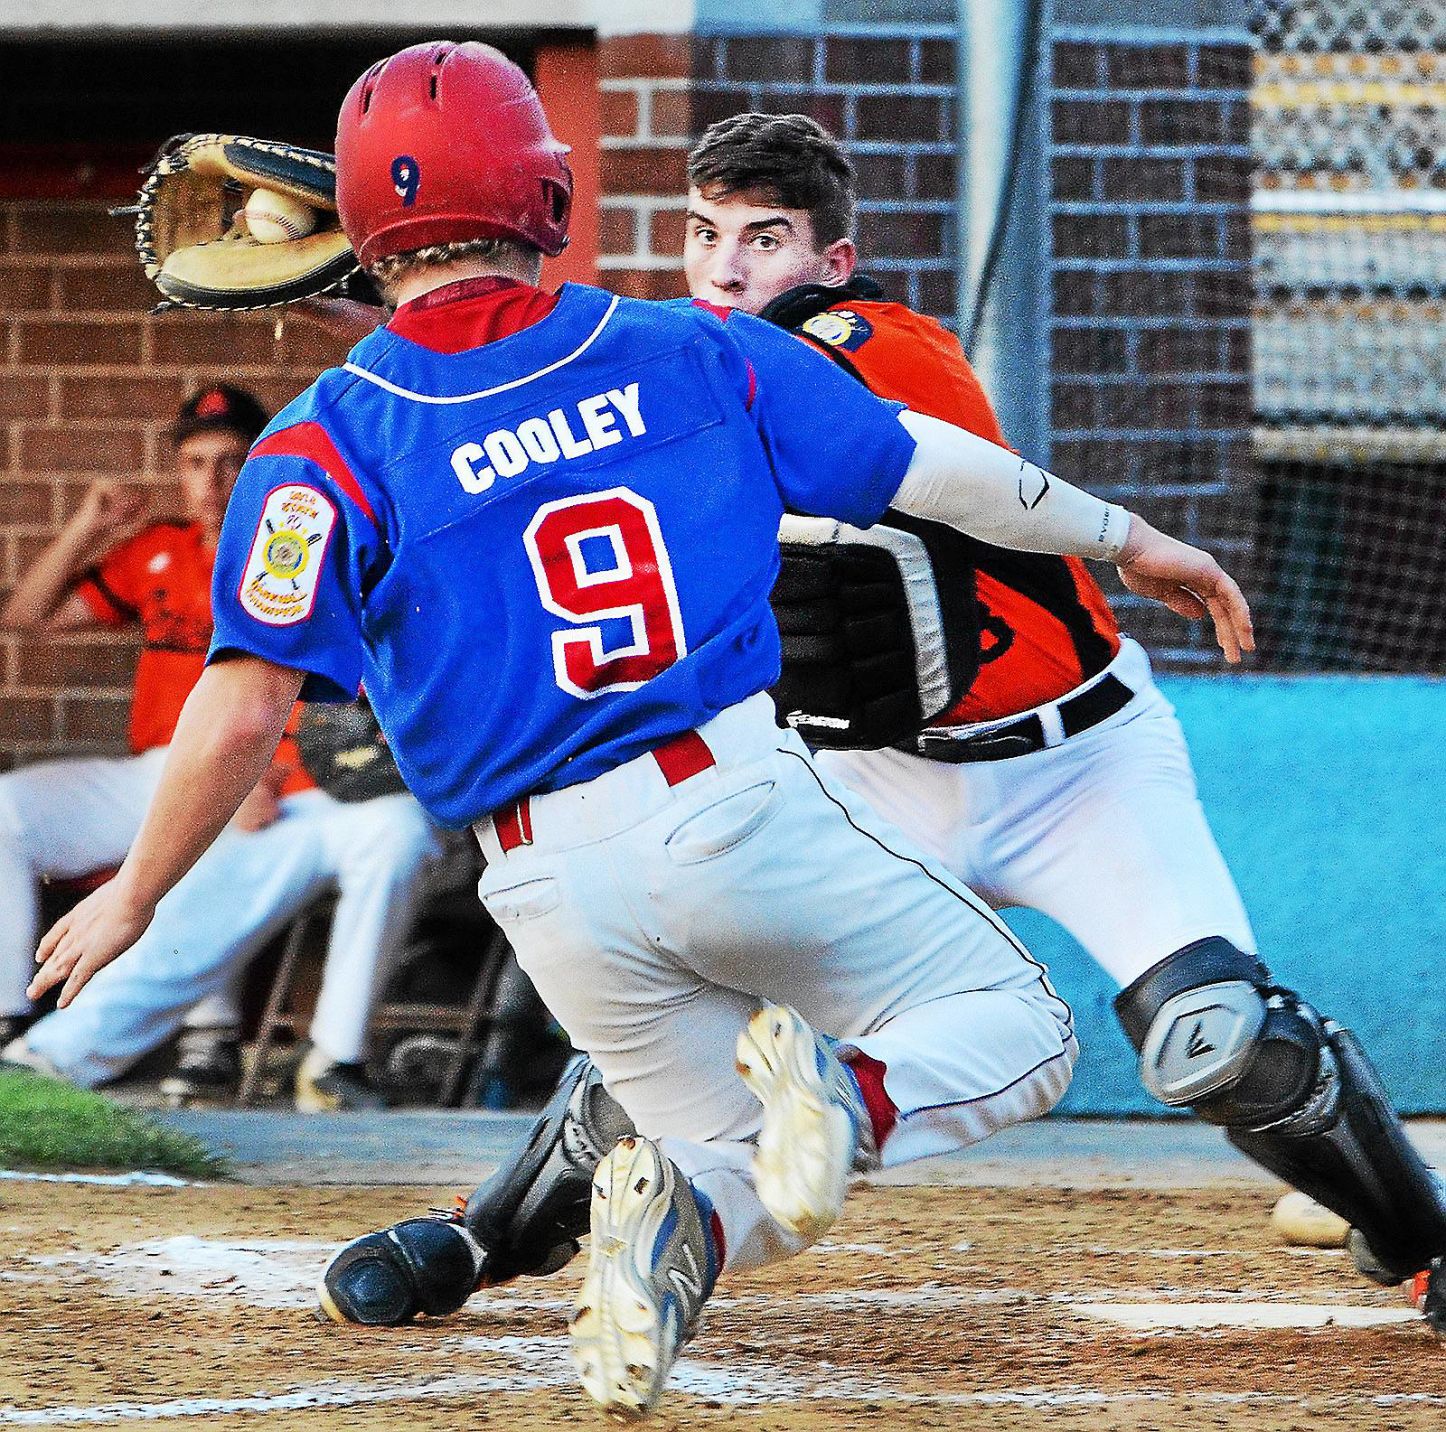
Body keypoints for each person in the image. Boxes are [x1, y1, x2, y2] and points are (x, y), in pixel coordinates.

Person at [30, 46, 1253, 1418]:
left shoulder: (319, 441)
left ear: (364, 234)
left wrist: (135, 889)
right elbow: (929, 468)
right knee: (1016, 1031)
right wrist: (1130, 538)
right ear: (546, 194)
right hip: (727, 807)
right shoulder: (685, 347)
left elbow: (241, 696)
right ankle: (843, 1098)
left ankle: (683, 1236)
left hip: (542, 894)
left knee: (721, 1158)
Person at [316, 110, 1445, 1338]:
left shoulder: (870, 342)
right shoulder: (666, 365)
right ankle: (487, 1239)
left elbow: (761, 393)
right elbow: (545, 421)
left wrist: (448, 355)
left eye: (770, 238)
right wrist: (424, 352)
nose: (732, 265)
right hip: (873, 773)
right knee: (680, 1038)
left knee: (1215, 1039)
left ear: (834, 262)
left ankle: (1421, 1240)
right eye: (706, 235)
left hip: (1076, 763)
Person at [0, 385, 446, 1110]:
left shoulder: (306, 554)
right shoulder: (162, 551)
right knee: (11, 810)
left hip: (294, 792)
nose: (213, 482)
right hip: (172, 771)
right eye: (197, 463)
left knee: (396, 834)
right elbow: (28, 617)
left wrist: (252, 775)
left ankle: (333, 1060)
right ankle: (23, 1029)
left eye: (233, 463)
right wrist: (88, 525)